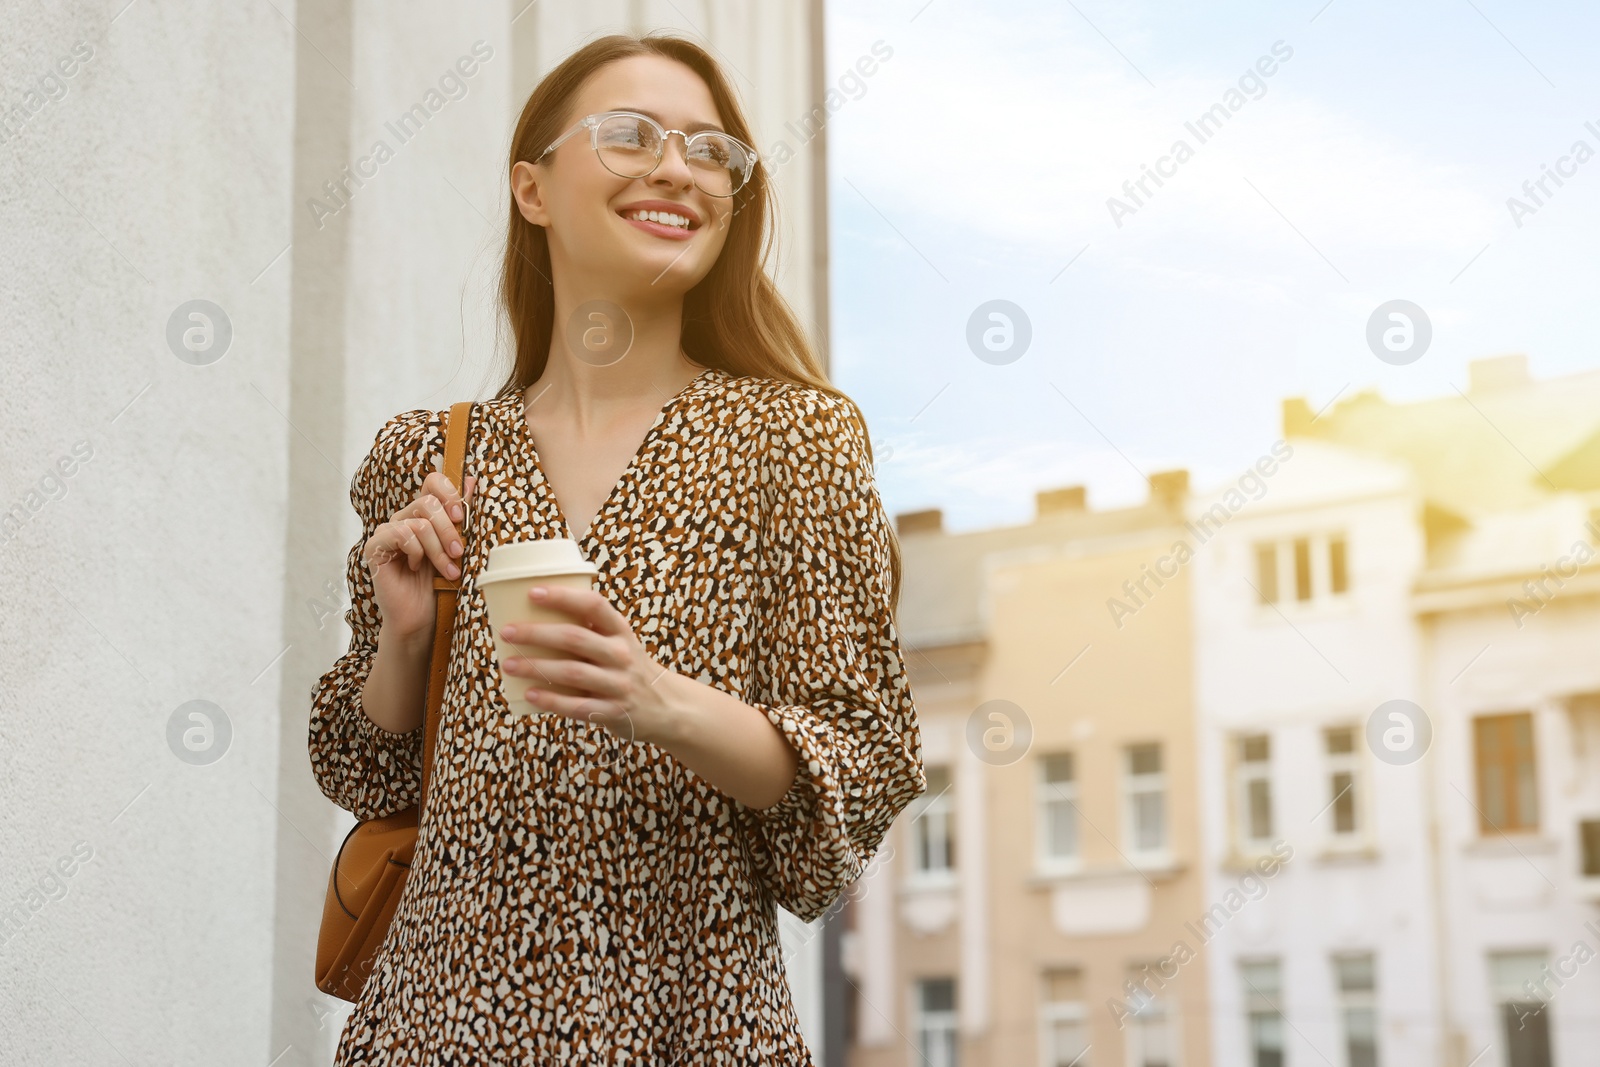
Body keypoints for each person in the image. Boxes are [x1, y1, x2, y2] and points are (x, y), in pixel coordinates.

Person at [308, 31, 926, 1065]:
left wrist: (657, 700)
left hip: (688, 1020)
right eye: (631, 134)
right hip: (434, 1027)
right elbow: (365, 770)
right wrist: (404, 644)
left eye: (709, 150)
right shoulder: (430, 455)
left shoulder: (794, 440)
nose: (677, 167)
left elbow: (863, 758)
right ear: (533, 188)